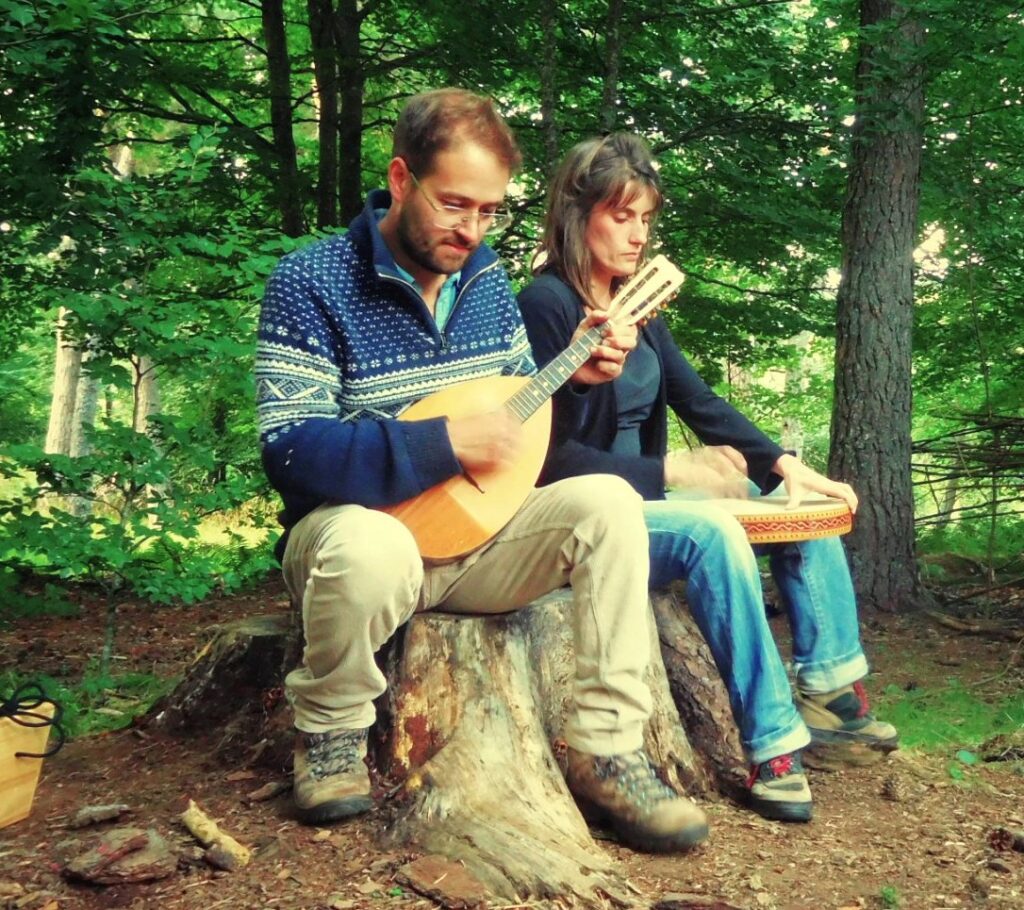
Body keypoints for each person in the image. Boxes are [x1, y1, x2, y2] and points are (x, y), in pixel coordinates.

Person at [255, 91, 709, 853]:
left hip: (478, 539)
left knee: (605, 502)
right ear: (401, 181)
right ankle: (330, 735)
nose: (471, 229)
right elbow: (292, 450)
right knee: (373, 547)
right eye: (453, 204)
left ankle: (608, 748)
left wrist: (577, 378)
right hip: (357, 541)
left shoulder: (488, 282)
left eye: (490, 211)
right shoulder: (312, 282)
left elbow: (511, 420)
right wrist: (442, 443)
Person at [517, 132, 898, 824]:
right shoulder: (544, 305)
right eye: (620, 216)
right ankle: (774, 745)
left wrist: (788, 469)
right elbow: (544, 460)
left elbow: (699, 402)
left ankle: (834, 691)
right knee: (714, 530)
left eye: (646, 219)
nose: (637, 235)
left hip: (653, 496)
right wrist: (669, 468)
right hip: (583, 516)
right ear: (580, 215)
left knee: (796, 509)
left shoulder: (637, 304)